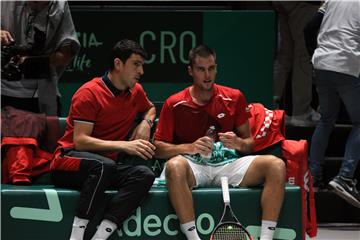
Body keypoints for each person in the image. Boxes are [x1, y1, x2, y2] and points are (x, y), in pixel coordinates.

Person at [154, 45, 286, 240]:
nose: (207, 75)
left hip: (227, 164)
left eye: (211, 68)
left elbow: (249, 144)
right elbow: (157, 149)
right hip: (194, 166)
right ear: (191, 71)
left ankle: (266, 238)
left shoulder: (234, 97)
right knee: (174, 166)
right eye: (201, 69)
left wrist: (238, 144)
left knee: (276, 165)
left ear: (216, 68)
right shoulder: (174, 103)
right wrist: (189, 147)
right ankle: (194, 238)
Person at [50, 39, 156, 240]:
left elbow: (150, 108)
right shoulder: (89, 93)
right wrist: (125, 145)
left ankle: (100, 236)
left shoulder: (136, 91)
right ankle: (76, 235)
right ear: (118, 64)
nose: (141, 71)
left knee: (144, 174)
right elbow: (80, 141)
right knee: (104, 166)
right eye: (136, 64)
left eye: (142, 65)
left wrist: (146, 124)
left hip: (104, 167)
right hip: (68, 161)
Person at [309, 0, 360, 208]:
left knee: (327, 119)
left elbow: (310, 26)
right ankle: (345, 177)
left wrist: (314, 54)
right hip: (346, 64)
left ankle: (312, 176)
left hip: (322, 63)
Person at [1, 0, 80, 116]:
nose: (36, 4)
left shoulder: (60, 5)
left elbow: (65, 54)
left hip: (43, 91)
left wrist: (33, 62)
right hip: (3, 87)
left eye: (42, 3)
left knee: (50, 131)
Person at [272, 1, 321, 126]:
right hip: (302, 3)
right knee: (303, 55)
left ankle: (270, 108)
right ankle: (301, 113)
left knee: (285, 55)